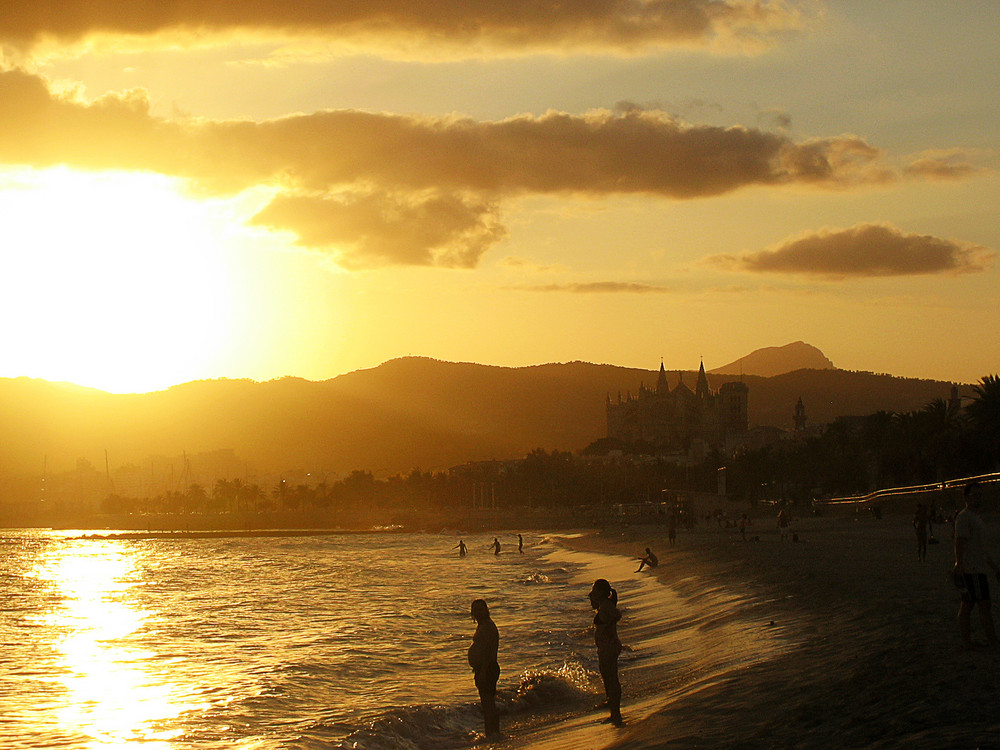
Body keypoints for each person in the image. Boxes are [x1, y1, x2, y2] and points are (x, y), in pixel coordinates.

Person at [953, 481, 1000, 649]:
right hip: (971, 569)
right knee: (982, 604)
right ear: (966, 497)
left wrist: (994, 567)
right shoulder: (965, 517)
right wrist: (959, 564)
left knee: (969, 604)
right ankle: (990, 640)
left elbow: (980, 548)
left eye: (979, 495)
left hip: (977, 567)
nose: (977, 498)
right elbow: (960, 542)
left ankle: (969, 641)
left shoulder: (975, 518)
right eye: (974, 495)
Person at [588, 578, 624, 726]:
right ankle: (614, 712)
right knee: (609, 679)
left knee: (611, 680)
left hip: (609, 646)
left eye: (595, 590)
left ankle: (616, 714)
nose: (593, 593)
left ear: (602, 592)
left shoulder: (606, 607)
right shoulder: (603, 605)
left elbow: (616, 615)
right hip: (606, 646)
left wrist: (609, 624)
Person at [468, 599, 501, 739]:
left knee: (488, 704)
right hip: (484, 668)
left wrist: (483, 671)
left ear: (486, 610)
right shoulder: (483, 625)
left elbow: (488, 653)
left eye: (480, 609)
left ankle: (492, 734)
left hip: (487, 668)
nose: (477, 612)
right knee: (487, 703)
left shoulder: (487, 626)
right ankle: (492, 733)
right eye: (475, 610)